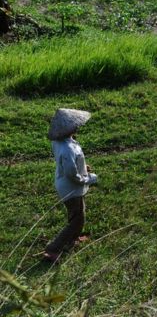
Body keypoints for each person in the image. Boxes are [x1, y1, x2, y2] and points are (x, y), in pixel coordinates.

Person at [44, 108, 98, 262]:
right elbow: (72, 175)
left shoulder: (59, 142)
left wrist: (82, 167)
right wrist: (88, 178)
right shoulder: (67, 149)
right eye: (74, 126)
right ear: (68, 129)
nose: (77, 127)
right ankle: (53, 249)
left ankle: (72, 238)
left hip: (64, 183)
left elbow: (69, 164)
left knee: (75, 213)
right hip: (70, 188)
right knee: (78, 219)